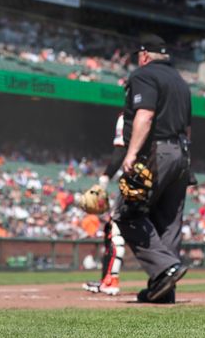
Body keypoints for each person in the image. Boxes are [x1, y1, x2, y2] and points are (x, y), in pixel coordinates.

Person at [113, 34, 192, 304]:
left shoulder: (144, 75)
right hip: (182, 153)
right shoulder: (181, 81)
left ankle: (165, 268)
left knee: (126, 213)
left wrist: (132, 154)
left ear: (144, 55)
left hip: (157, 151)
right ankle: (163, 290)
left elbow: (145, 116)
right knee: (168, 222)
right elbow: (189, 127)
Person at [82, 113, 126, 296]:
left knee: (114, 230)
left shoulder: (130, 114)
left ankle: (110, 281)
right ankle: (162, 278)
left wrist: (104, 179)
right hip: (164, 173)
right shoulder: (160, 112)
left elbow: (120, 153)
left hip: (138, 182)